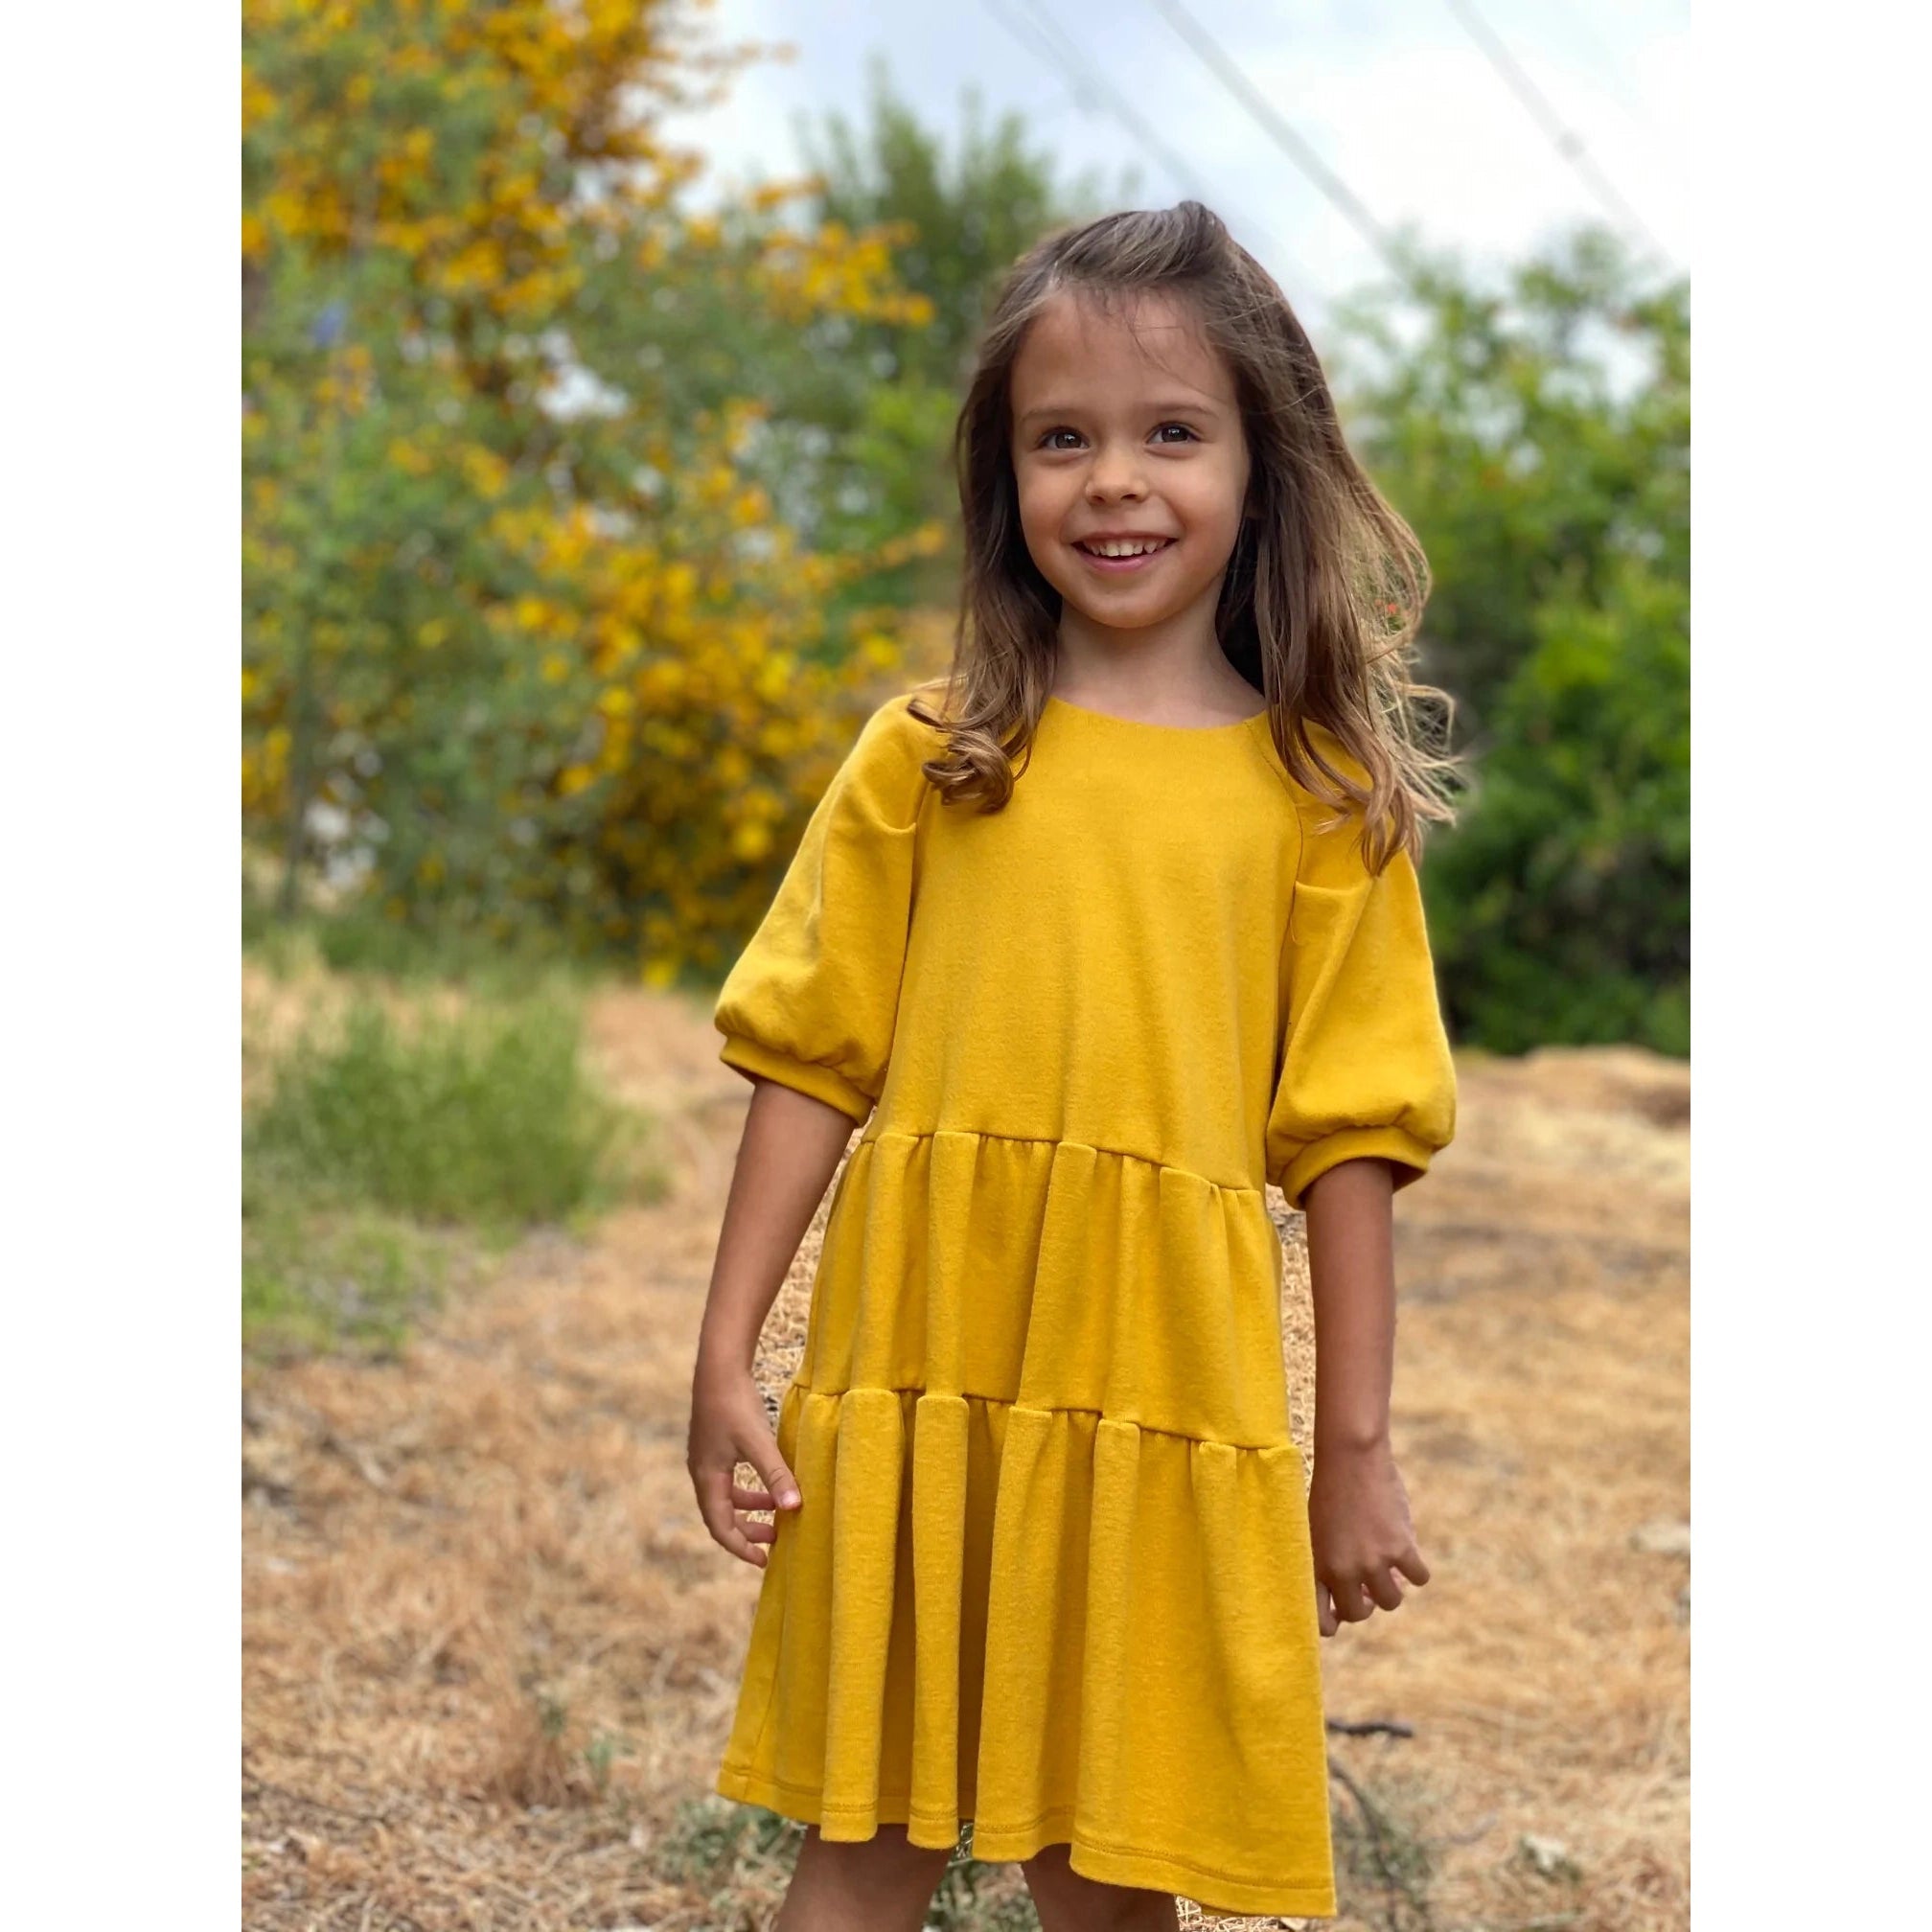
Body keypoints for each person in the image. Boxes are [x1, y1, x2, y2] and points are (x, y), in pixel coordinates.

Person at [686, 200, 1460, 1930]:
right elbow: (808, 1059)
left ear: (1262, 465)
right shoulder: (928, 761)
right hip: (923, 1350)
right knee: (862, 1839)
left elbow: (1355, 1144)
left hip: (1157, 1375)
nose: (1115, 481)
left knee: (1110, 1869)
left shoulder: (1323, 806)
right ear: (1005, 476)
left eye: (1172, 432)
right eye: (1063, 439)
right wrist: (727, 1346)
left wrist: (1352, 1448)